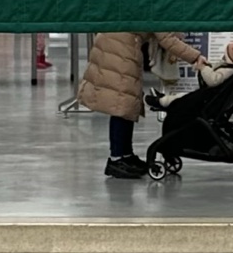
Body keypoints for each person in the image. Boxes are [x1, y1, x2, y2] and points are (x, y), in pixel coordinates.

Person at [78, 31, 207, 178]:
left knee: (125, 103)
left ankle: (125, 155)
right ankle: (117, 159)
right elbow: (166, 38)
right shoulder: (151, 8)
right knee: (121, 104)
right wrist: (195, 57)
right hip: (120, 51)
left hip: (116, 44)